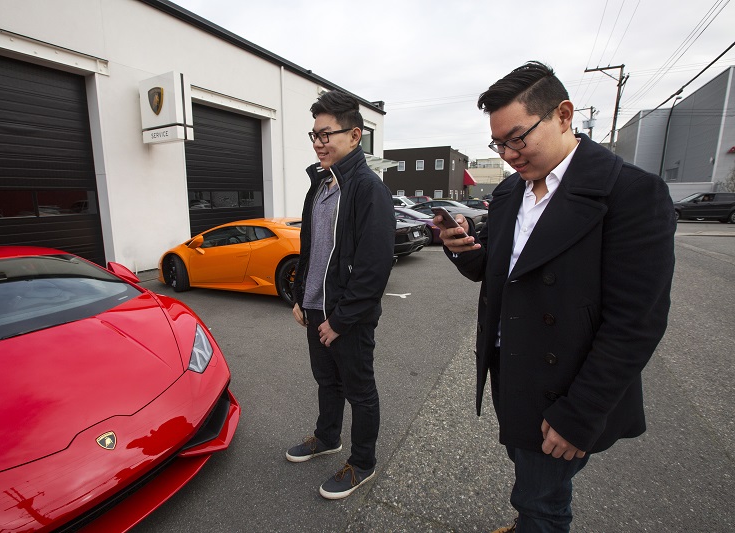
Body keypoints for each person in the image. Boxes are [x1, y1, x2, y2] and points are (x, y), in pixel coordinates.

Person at [434, 61, 675, 532]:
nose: (508, 153)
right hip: (512, 369)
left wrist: (580, 413)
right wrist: (462, 250)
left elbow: (636, 322)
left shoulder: (630, 193)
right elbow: (497, 274)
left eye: (518, 137)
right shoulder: (509, 194)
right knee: (533, 479)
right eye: (498, 142)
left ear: (564, 115)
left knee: (542, 498)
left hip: (566, 386)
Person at [286, 90, 395, 500]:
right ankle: (327, 437)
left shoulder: (368, 189)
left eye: (326, 134)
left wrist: (342, 319)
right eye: (314, 135)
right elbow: (310, 247)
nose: (318, 142)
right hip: (316, 309)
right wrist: (300, 296)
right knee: (326, 382)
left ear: (355, 135)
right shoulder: (321, 186)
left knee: (360, 391)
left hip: (347, 317)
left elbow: (374, 266)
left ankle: (362, 463)